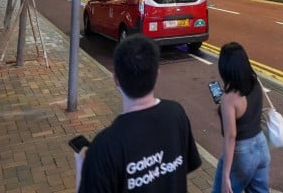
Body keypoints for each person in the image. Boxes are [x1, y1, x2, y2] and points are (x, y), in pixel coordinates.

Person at [76, 34, 201, 192]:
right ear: (157, 74)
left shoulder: (104, 147)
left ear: (115, 79)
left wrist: (83, 170)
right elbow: (182, 169)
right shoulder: (176, 114)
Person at [212, 42, 270, 193]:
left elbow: (231, 136)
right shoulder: (255, 82)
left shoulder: (229, 98)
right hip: (261, 146)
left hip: (242, 153)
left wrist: (225, 176)